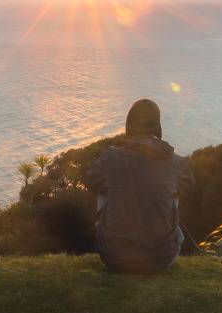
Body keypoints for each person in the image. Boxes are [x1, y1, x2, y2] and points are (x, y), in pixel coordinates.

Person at [83, 99, 195, 273]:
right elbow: (188, 188)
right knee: (173, 188)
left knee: (104, 186)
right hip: (161, 259)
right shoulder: (176, 162)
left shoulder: (110, 158)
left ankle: (116, 239)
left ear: (128, 125)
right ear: (157, 127)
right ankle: (157, 241)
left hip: (113, 258)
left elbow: (90, 180)